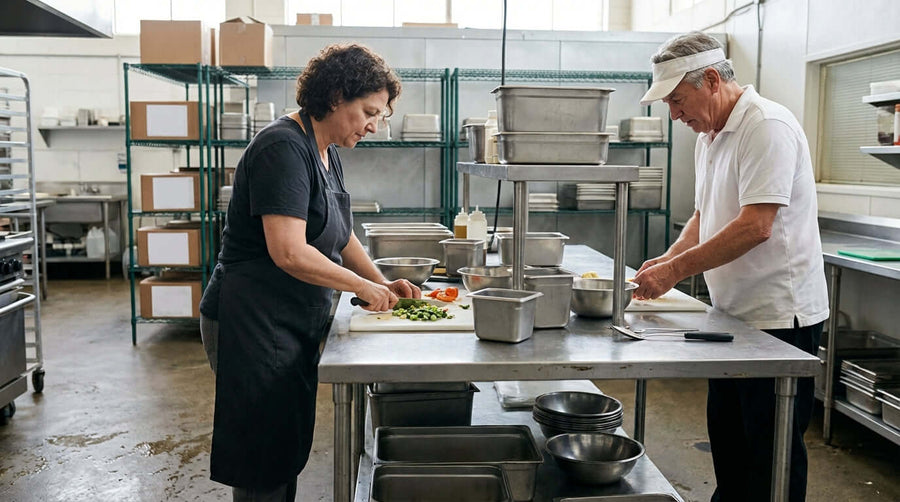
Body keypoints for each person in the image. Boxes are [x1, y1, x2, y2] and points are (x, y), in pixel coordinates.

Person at [198, 43, 418, 501]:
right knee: (263, 458)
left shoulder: (325, 149)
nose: (375, 125)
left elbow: (339, 233)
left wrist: (379, 281)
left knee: (284, 444)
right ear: (336, 95)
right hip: (252, 321)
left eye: (381, 115)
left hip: (288, 320)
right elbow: (289, 253)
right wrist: (359, 286)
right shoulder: (283, 147)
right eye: (369, 111)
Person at [633, 32, 829, 502]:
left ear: (713, 80)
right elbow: (704, 217)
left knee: (770, 453)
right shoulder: (711, 135)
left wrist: (675, 273)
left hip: (780, 317)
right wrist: (667, 258)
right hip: (731, 314)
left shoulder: (766, 126)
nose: (675, 115)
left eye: (678, 101)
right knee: (729, 443)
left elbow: (755, 225)